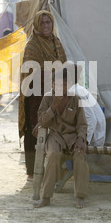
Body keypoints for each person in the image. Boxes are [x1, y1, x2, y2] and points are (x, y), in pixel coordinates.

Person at [18, 10, 67, 181]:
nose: (46, 26)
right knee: (35, 129)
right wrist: (52, 74)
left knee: (56, 129)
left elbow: (64, 67)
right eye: (43, 22)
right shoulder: (33, 44)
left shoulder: (57, 42)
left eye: (49, 22)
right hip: (35, 95)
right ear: (37, 25)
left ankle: (54, 169)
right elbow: (30, 71)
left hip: (55, 93)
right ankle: (32, 171)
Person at [34, 68, 89, 209]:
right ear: (52, 85)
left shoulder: (76, 99)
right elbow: (42, 122)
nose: (59, 88)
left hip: (72, 137)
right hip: (55, 136)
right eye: (56, 85)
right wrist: (53, 107)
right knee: (53, 155)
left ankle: (80, 196)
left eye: (63, 85)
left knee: (80, 155)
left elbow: (82, 124)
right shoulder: (47, 98)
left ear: (69, 84)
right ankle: (46, 196)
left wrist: (80, 139)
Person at [68, 62, 106, 147]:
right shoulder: (75, 90)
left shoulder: (77, 92)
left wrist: (84, 141)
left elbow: (91, 120)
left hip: (93, 139)